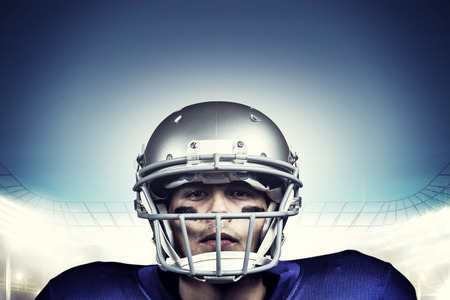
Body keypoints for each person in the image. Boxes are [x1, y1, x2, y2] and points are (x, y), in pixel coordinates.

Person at [37, 101, 416, 299]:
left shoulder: (366, 290)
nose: (218, 211)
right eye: (197, 192)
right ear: (161, 208)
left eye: (239, 191)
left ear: (275, 206)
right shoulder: (79, 294)